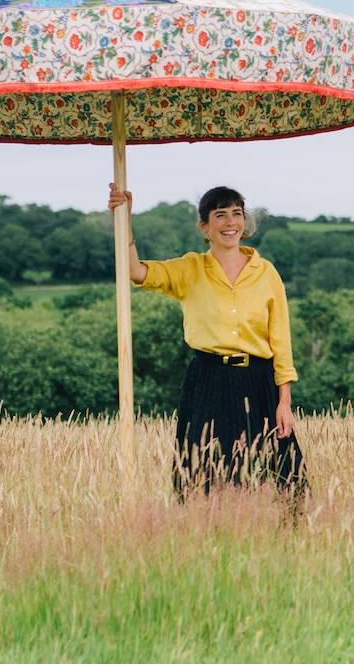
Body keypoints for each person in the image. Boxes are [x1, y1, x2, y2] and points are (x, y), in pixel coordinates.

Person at [107, 182, 305, 500]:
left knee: (283, 474)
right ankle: (204, 530)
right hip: (208, 379)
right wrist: (124, 219)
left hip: (259, 381)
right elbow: (135, 271)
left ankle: (280, 536)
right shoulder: (190, 269)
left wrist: (285, 402)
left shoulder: (266, 273)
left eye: (237, 214)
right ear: (205, 227)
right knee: (201, 471)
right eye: (221, 215)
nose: (230, 223)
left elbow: (281, 341)